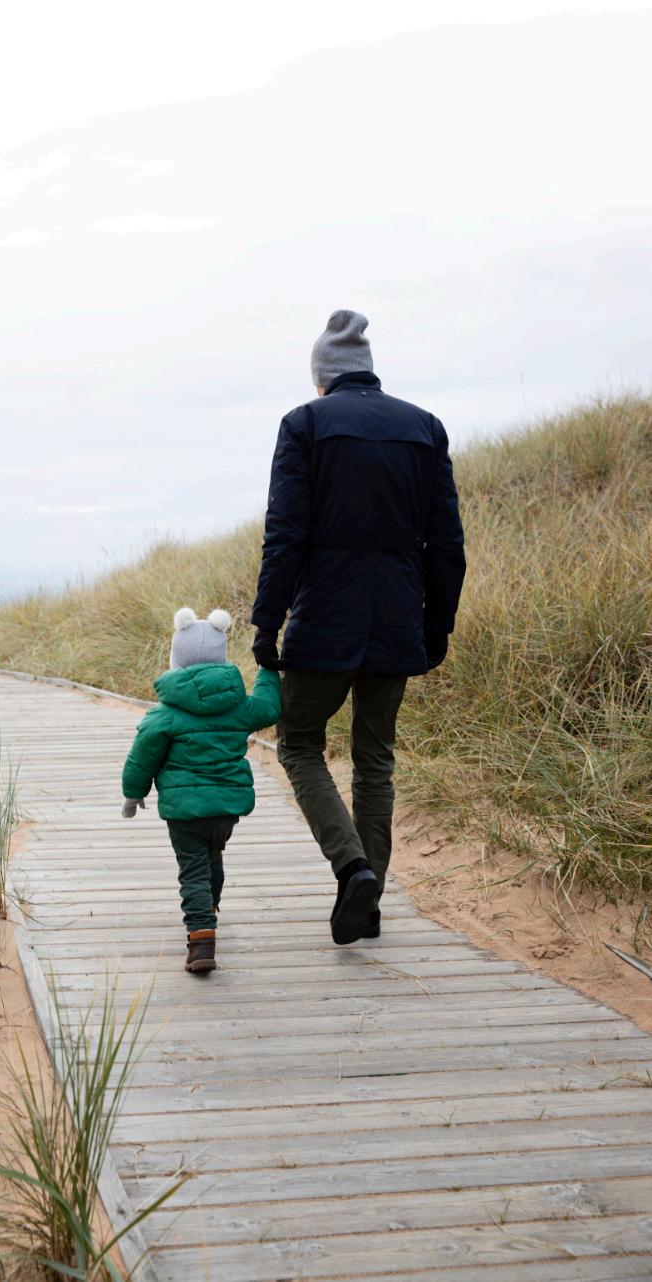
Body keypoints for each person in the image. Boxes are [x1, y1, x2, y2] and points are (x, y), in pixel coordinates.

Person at [251, 310, 466, 947]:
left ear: (323, 376)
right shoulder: (425, 428)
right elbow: (448, 544)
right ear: (368, 369)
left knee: (299, 745)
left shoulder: (305, 424)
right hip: (398, 619)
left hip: (325, 619)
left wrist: (267, 622)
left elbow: (285, 535)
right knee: (375, 759)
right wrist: (437, 626)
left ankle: (353, 871)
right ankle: (368, 908)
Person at [120, 607, 282, 973]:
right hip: (226, 807)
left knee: (193, 868)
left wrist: (133, 792)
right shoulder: (239, 706)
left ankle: (201, 938)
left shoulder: (165, 713)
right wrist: (267, 669)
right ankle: (208, 905)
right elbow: (270, 707)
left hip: (184, 809)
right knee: (213, 855)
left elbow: (143, 754)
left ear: (176, 661)